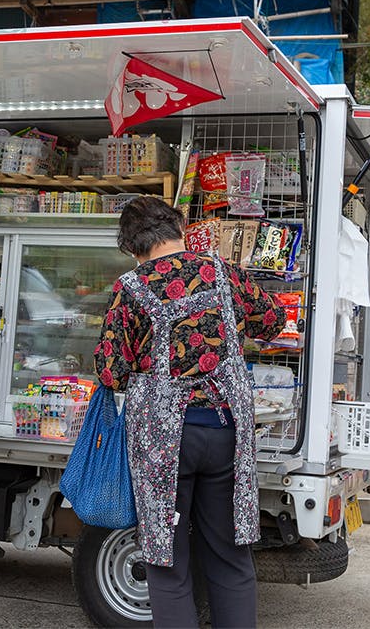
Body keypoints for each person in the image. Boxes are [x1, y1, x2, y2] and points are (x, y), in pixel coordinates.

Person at [93, 196, 281, 629]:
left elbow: (110, 371)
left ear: (131, 246)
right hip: (225, 432)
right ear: (179, 229)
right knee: (231, 557)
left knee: (167, 563)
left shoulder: (131, 288)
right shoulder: (222, 272)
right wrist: (229, 329)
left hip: (164, 444)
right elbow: (271, 320)